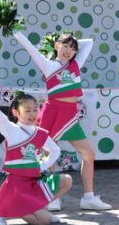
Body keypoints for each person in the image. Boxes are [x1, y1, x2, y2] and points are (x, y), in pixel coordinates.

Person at [13, 30, 111, 211]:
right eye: (65, 46)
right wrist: (17, 32)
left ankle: (88, 198)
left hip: (70, 115)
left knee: (88, 155)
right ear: (56, 46)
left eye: (72, 48)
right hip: (53, 112)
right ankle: (51, 197)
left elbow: (89, 42)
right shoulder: (48, 64)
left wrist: (66, 41)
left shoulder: (76, 64)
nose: (68, 51)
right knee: (48, 154)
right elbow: (29, 48)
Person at [0, 87, 72, 225]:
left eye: (35, 110)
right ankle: (14, 207)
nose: (32, 114)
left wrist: (42, 166)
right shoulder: (11, 129)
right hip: (17, 185)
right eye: (27, 110)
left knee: (66, 180)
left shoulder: (40, 133)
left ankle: (37, 207)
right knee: (44, 222)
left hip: (34, 181)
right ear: (16, 113)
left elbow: (55, 150)